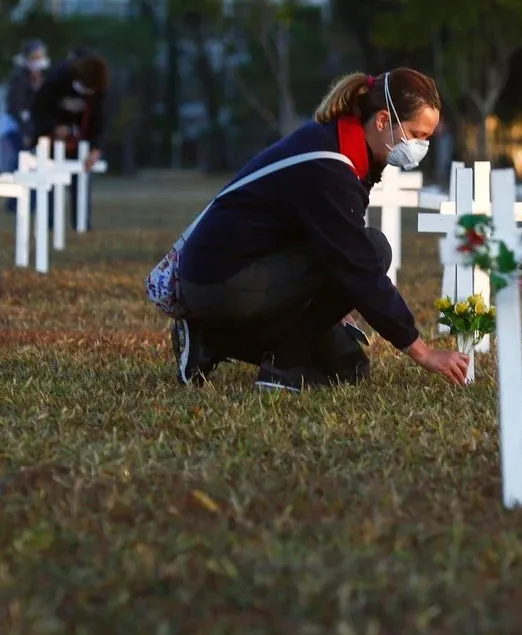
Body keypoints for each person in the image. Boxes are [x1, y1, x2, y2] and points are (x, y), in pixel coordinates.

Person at [168, 68, 470, 391]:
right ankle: (280, 365)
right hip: (219, 278)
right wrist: (421, 351)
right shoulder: (329, 163)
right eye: (417, 135)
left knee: (348, 367)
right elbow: (358, 265)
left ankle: (212, 341)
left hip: (255, 267)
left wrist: (330, 307)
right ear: (383, 121)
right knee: (375, 249)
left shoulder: (345, 143)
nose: (421, 147)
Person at [30, 50, 108, 230]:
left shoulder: (99, 90)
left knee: (81, 180)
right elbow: (39, 110)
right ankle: (49, 223)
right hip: (50, 140)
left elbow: (100, 120)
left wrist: (96, 148)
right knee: (49, 181)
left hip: (79, 142)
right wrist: (53, 128)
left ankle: (82, 224)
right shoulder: (56, 80)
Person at [3, 39, 49, 212]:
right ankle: (15, 203)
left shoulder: (44, 79)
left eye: (40, 56)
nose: (38, 60)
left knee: (35, 165)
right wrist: (26, 131)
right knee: (18, 164)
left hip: (36, 128)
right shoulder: (19, 79)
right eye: (34, 56)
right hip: (17, 129)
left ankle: (33, 201)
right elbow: (15, 107)